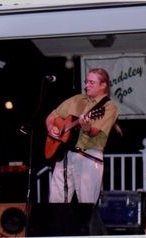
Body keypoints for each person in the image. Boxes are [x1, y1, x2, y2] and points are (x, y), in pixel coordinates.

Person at [45, 68, 118, 204]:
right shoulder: (77, 99)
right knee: (55, 202)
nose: (86, 86)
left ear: (103, 85)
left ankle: (86, 226)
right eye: (86, 82)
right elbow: (51, 116)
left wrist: (85, 126)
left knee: (86, 205)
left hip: (88, 157)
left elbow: (93, 132)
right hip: (64, 154)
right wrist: (51, 128)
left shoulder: (109, 107)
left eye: (91, 83)